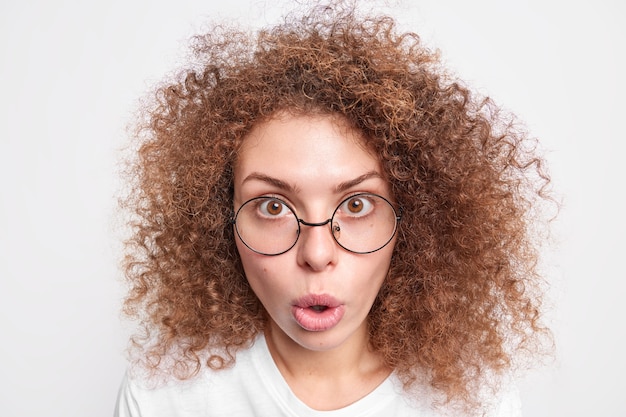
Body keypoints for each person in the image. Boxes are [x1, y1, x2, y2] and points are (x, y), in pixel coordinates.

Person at [114, 2, 553, 416]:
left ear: (412, 221)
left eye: (356, 205)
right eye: (272, 206)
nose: (317, 253)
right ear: (220, 221)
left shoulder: (473, 401)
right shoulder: (165, 395)